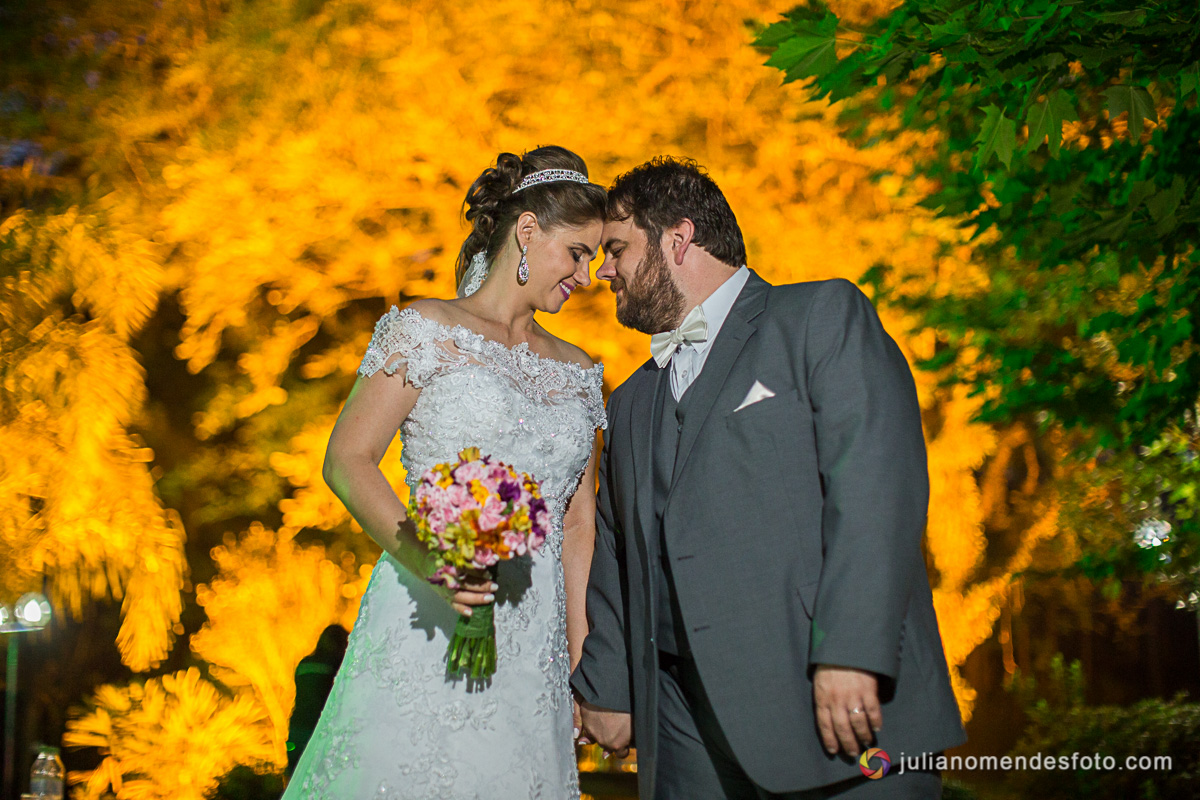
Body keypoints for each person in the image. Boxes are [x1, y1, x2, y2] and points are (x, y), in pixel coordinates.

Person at [571, 157, 967, 799]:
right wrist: (609, 686)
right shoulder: (629, 403)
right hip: (683, 731)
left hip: (833, 709)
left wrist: (851, 653)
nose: (602, 270)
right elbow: (617, 555)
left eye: (616, 249)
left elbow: (876, 490)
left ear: (678, 237)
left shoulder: (819, 317)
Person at [283, 145, 608, 799]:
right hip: (426, 612)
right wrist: (432, 561)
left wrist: (582, 664)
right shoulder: (426, 330)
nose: (587, 274)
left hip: (534, 653)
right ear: (527, 231)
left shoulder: (580, 373)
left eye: (596, 260)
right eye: (578, 252)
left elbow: (579, 527)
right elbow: (347, 459)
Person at [285, 624, 348, 776]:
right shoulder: (335, 667)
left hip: (296, 729)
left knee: (295, 777)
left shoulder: (304, 664)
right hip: (318, 731)